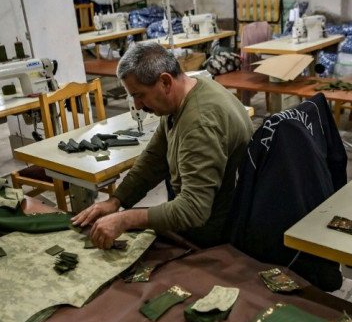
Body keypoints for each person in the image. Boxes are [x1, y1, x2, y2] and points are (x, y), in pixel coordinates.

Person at [72, 42, 253, 249]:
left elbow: (193, 210)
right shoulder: (186, 95)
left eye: (139, 95)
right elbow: (154, 159)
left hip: (213, 235)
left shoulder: (199, 123)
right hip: (207, 219)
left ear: (165, 82)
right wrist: (115, 201)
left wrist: (126, 219)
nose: (138, 106)